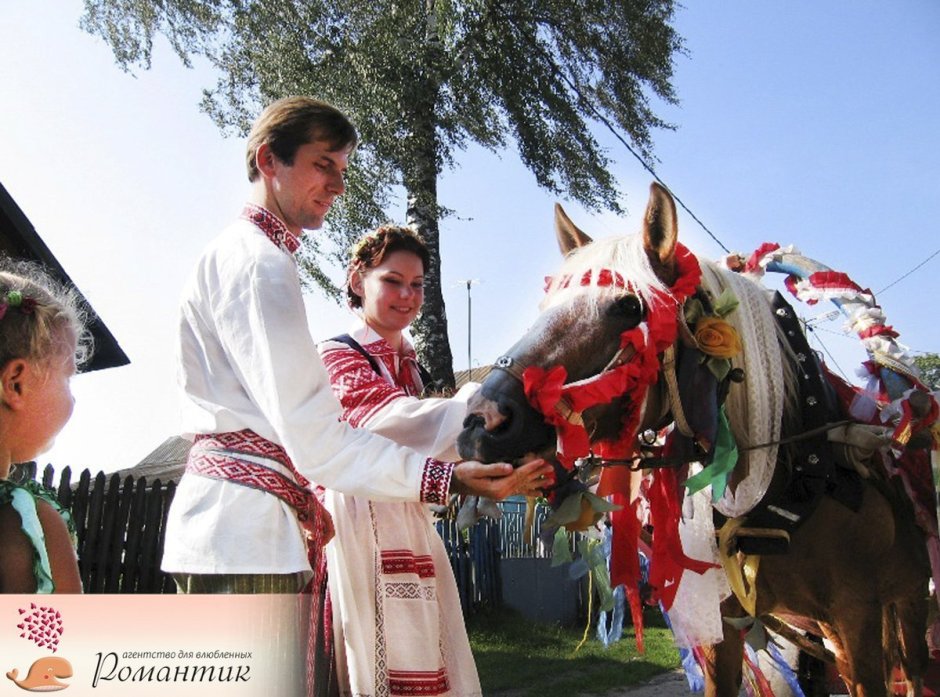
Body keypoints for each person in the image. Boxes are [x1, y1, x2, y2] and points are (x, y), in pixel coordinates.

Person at [161, 96, 551, 595]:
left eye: (342, 169)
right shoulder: (259, 262)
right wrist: (447, 479)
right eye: (323, 164)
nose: (339, 186)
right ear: (267, 160)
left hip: (243, 524)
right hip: (243, 531)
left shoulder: (243, 254)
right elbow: (317, 436)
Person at [317, 225, 549, 696]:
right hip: (358, 518)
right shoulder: (338, 354)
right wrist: (481, 404)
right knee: (378, 655)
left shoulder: (409, 366)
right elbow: (385, 422)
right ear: (358, 281)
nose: (407, 295)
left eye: (417, 284)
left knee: (425, 652)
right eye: (392, 281)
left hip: (405, 513)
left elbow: (428, 435)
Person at [0, 258, 85, 593]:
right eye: (68, 377)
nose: (73, 399)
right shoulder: (28, 520)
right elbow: (58, 643)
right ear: (16, 384)